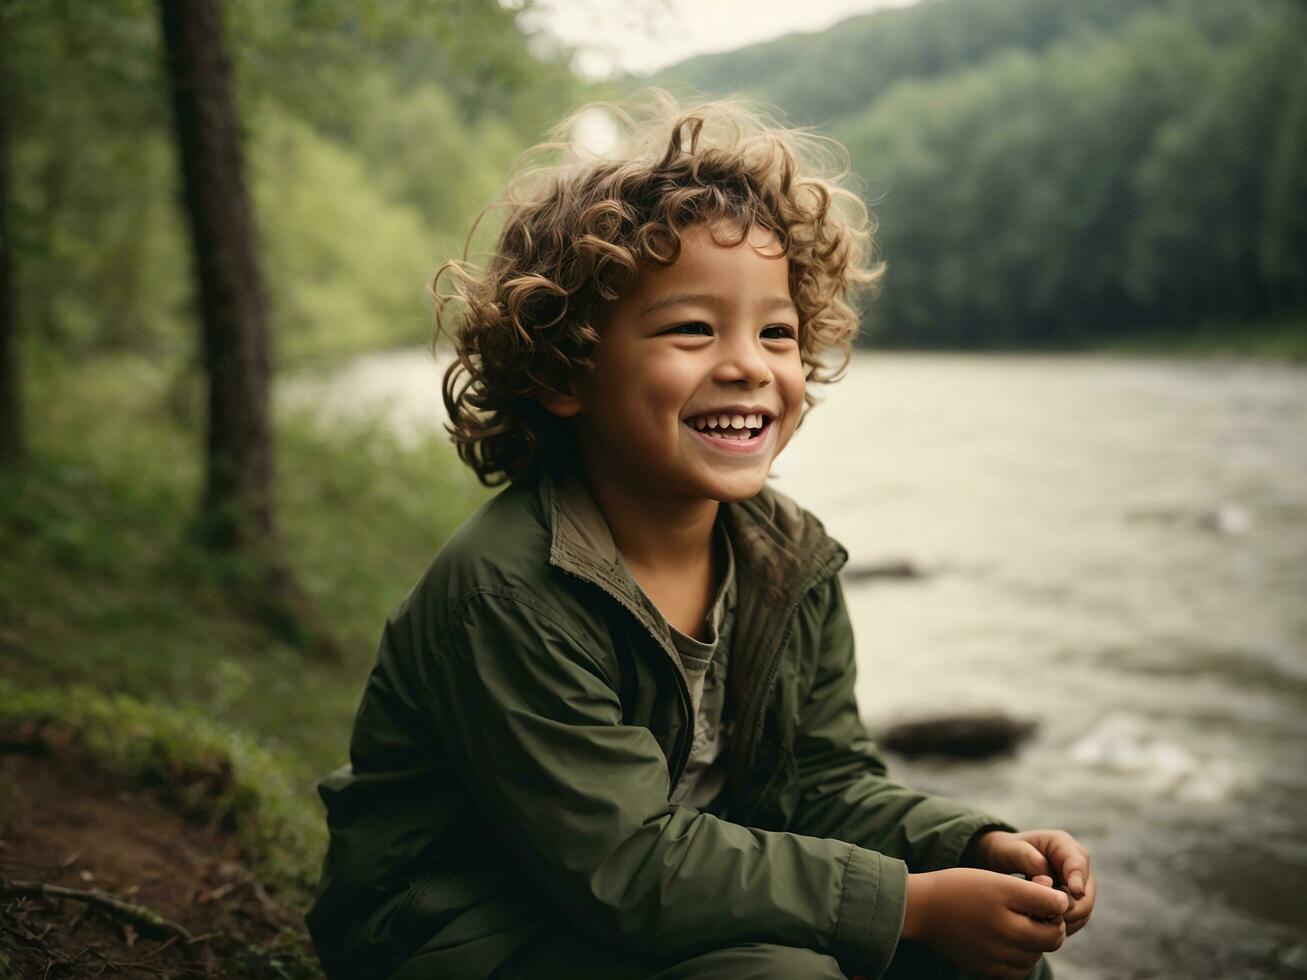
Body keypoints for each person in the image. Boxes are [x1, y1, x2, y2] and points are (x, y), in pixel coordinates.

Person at [304, 90, 1097, 980]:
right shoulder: (508, 590)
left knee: (993, 961)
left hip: (660, 904)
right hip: (465, 931)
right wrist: (909, 903)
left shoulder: (784, 557)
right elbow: (626, 866)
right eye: (691, 328)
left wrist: (971, 847)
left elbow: (823, 784)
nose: (747, 365)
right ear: (567, 372)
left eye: (777, 332)